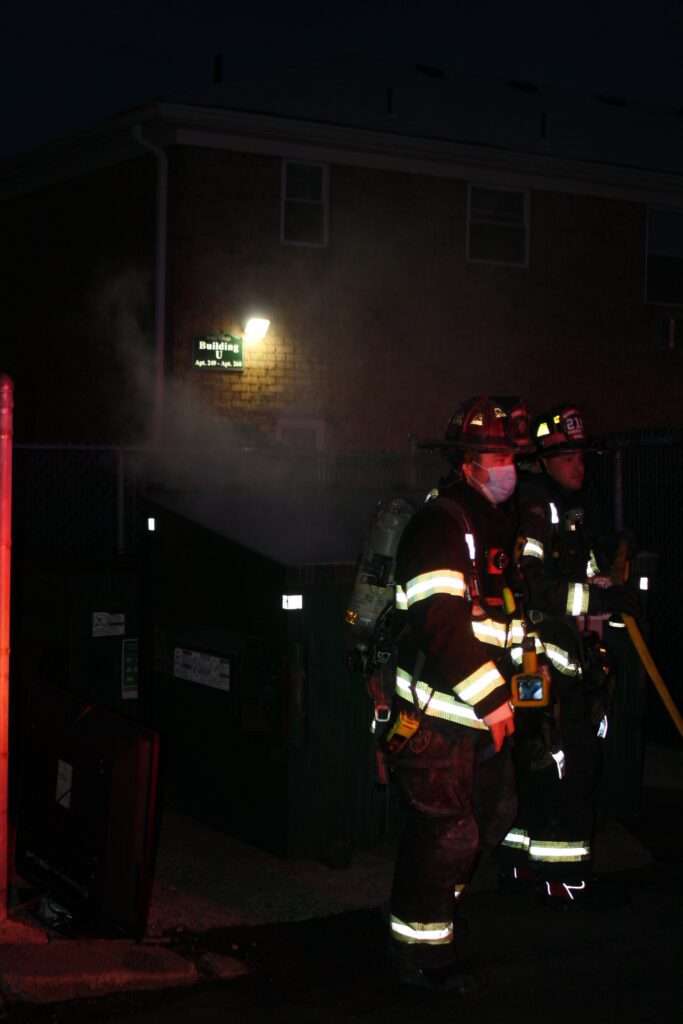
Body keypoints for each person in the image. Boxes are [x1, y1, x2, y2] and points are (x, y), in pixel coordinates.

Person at [385, 395, 533, 993]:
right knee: (448, 835)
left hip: (477, 718)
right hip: (436, 718)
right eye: (497, 457)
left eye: (511, 456)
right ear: (468, 463)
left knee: (494, 815)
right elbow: (441, 626)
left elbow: (499, 620)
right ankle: (421, 955)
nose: (508, 468)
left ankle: (437, 908)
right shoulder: (440, 525)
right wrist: (493, 701)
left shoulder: (492, 522)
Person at [500, 402, 638, 907]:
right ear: (542, 460)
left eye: (582, 457)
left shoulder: (564, 508)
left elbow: (583, 568)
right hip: (541, 656)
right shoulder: (537, 506)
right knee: (568, 762)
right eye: (569, 457)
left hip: (554, 655)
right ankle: (562, 876)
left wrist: (607, 584)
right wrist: (596, 600)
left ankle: (523, 865)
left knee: (539, 761)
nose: (580, 466)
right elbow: (534, 584)